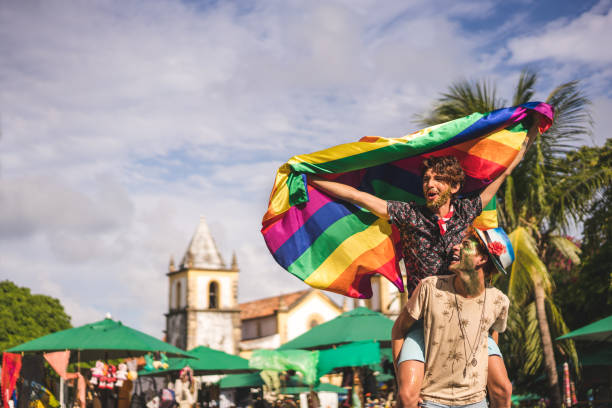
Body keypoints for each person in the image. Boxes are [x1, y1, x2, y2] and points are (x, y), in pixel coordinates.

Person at [308, 121, 537, 408]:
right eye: (427, 178)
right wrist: (310, 179)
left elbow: (503, 173)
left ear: (454, 186)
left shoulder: (467, 210)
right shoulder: (408, 214)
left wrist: (529, 134)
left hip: (465, 315)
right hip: (423, 318)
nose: (430, 183)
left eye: (439, 179)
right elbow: (358, 197)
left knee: (502, 388)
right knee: (407, 396)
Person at [391, 227, 512, 408]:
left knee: (504, 389)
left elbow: (491, 334)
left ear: (482, 259)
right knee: (406, 396)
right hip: (432, 397)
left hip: (473, 399)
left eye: (464, 245)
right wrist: (401, 377)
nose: (454, 247)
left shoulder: (499, 301)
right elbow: (399, 329)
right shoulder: (430, 288)